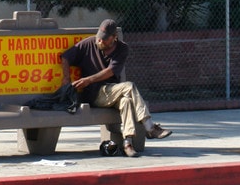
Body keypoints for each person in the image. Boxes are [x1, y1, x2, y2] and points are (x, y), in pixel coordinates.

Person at [61, 19, 172, 157]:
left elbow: (110, 71)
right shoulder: (89, 43)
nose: (100, 42)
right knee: (129, 87)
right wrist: (66, 79)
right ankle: (150, 127)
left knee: (126, 101)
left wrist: (88, 79)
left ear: (114, 38)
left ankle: (128, 142)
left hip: (113, 91)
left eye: (104, 39)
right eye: (99, 38)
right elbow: (65, 56)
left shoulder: (122, 49)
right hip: (95, 94)